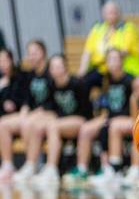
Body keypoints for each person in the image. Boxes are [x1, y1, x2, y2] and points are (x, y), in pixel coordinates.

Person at [17, 55, 93, 187]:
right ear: (50, 70)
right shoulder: (51, 84)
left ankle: (51, 169)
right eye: (53, 67)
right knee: (38, 126)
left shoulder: (77, 84)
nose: (56, 70)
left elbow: (86, 111)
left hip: (81, 119)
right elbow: (52, 108)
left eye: (59, 66)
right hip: (61, 120)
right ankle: (31, 165)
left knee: (53, 126)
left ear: (66, 67)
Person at [62, 48, 133, 188]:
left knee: (110, 127)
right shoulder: (104, 79)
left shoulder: (129, 80)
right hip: (109, 117)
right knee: (86, 129)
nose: (112, 62)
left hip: (127, 117)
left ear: (121, 61)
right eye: (109, 59)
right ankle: (82, 169)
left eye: (115, 59)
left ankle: (113, 169)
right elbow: (84, 80)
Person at [0, 39, 52, 184]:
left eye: (35, 53)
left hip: (49, 113)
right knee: (3, 123)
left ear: (43, 53)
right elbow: (27, 99)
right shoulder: (30, 75)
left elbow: (53, 99)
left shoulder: (50, 72)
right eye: (29, 53)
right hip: (33, 113)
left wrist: (35, 112)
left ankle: (33, 165)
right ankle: (7, 166)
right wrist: (24, 110)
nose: (31, 56)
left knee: (28, 123)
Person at [78, 1, 139, 77]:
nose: (111, 15)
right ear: (103, 14)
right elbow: (87, 52)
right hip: (100, 70)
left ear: (119, 13)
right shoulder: (97, 29)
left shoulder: (128, 28)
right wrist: (82, 71)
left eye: (114, 12)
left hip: (126, 71)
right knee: (83, 82)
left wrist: (105, 63)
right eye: (108, 12)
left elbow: (123, 52)